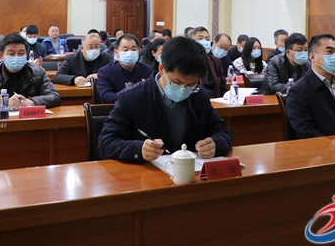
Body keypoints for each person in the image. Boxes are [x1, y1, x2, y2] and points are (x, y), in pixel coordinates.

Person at [97, 36, 233, 162]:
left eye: (190, 85)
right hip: (148, 173)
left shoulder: (199, 95)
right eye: (177, 83)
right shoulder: (132, 98)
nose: (183, 89)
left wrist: (215, 143)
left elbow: (222, 131)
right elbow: (105, 143)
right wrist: (138, 149)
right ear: (162, 68)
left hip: (190, 170)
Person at [0, 33, 60, 110]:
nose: (17, 57)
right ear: (1, 56)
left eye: (21, 53)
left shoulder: (38, 72)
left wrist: (32, 102)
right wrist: (4, 102)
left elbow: (54, 96)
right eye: (11, 54)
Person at [97, 34, 154, 104]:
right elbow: (105, 96)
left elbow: (153, 93)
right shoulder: (105, 72)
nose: (130, 53)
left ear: (138, 51)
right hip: (115, 109)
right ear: (116, 53)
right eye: (125, 50)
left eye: (133, 49)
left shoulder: (147, 70)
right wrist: (131, 99)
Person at [191, 27, 227, 98]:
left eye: (207, 39)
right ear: (192, 41)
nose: (204, 41)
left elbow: (223, 88)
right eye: (200, 38)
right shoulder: (186, 61)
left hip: (215, 100)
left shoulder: (216, 61)